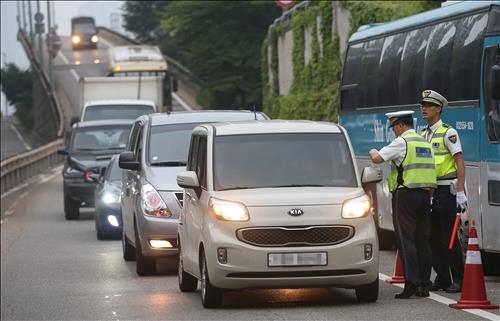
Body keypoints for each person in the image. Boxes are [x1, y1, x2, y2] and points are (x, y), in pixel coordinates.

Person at [369, 110, 436, 299]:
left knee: (406, 240)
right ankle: (424, 285)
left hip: (406, 194)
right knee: (423, 240)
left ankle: (411, 285)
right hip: (425, 195)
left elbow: (377, 158)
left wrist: (373, 150)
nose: (394, 132)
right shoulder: (424, 142)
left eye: (394, 128)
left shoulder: (402, 142)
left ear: (400, 125)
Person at [420, 89, 466, 293]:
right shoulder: (422, 134)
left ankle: (458, 277)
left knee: (449, 236)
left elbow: (460, 162)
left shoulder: (449, 132)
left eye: (428, 105)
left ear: (438, 109)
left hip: (447, 190)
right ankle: (442, 277)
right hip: (429, 191)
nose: (424, 108)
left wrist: (461, 192)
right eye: (422, 105)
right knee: (431, 237)